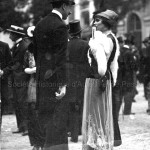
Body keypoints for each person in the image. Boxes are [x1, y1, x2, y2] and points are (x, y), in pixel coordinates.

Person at [33, 0, 75, 149]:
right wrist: (63, 84)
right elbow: (61, 58)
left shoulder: (39, 25)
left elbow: (36, 53)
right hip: (55, 84)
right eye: (69, 7)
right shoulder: (60, 26)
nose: (70, 12)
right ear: (64, 6)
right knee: (58, 125)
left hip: (42, 82)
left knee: (46, 122)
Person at [82, 9, 120, 150]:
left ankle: (97, 145)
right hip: (105, 80)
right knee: (100, 114)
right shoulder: (112, 38)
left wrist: (93, 48)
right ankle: (98, 143)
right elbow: (113, 65)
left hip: (97, 79)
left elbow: (102, 68)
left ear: (106, 23)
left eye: (98, 20)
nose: (94, 23)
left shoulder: (102, 40)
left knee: (96, 114)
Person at [66, 20, 90, 142]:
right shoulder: (85, 44)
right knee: (82, 105)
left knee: (72, 106)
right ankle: (82, 132)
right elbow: (88, 63)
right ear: (79, 33)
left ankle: (74, 134)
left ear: (70, 34)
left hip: (70, 79)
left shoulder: (66, 45)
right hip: (82, 78)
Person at [6, 25, 31, 135]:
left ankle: (26, 127)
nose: (10, 35)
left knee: (23, 103)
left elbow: (18, 64)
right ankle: (21, 126)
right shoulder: (17, 45)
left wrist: (6, 70)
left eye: (11, 33)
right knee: (17, 102)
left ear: (16, 35)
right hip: (17, 78)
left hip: (22, 79)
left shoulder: (23, 46)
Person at [0, 27, 12, 128]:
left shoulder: (4, 46)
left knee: (2, 103)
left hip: (2, 81)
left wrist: (3, 71)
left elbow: (10, 64)